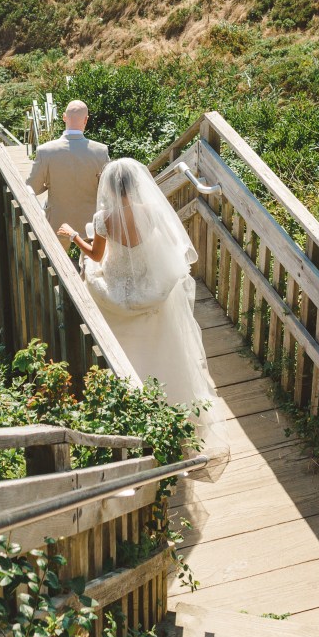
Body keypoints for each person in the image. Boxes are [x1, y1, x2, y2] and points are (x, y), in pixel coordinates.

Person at [57, 157, 229, 464]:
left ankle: (127, 406)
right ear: (138, 185)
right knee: (164, 346)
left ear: (108, 187)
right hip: (151, 290)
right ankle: (174, 414)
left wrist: (74, 237)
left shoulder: (103, 218)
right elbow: (162, 247)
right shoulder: (151, 212)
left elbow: (96, 256)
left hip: (119, 291)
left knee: (98, 295)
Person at [26, 99, 109, 251]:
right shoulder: (100, 151)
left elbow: (32, 188)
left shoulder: (45, 151)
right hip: (91, 226)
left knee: (56, 267)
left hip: (58, 223)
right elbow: (106, 189)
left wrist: (48, 185)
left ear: (64, 117)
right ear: (86, 119)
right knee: (93, 266)